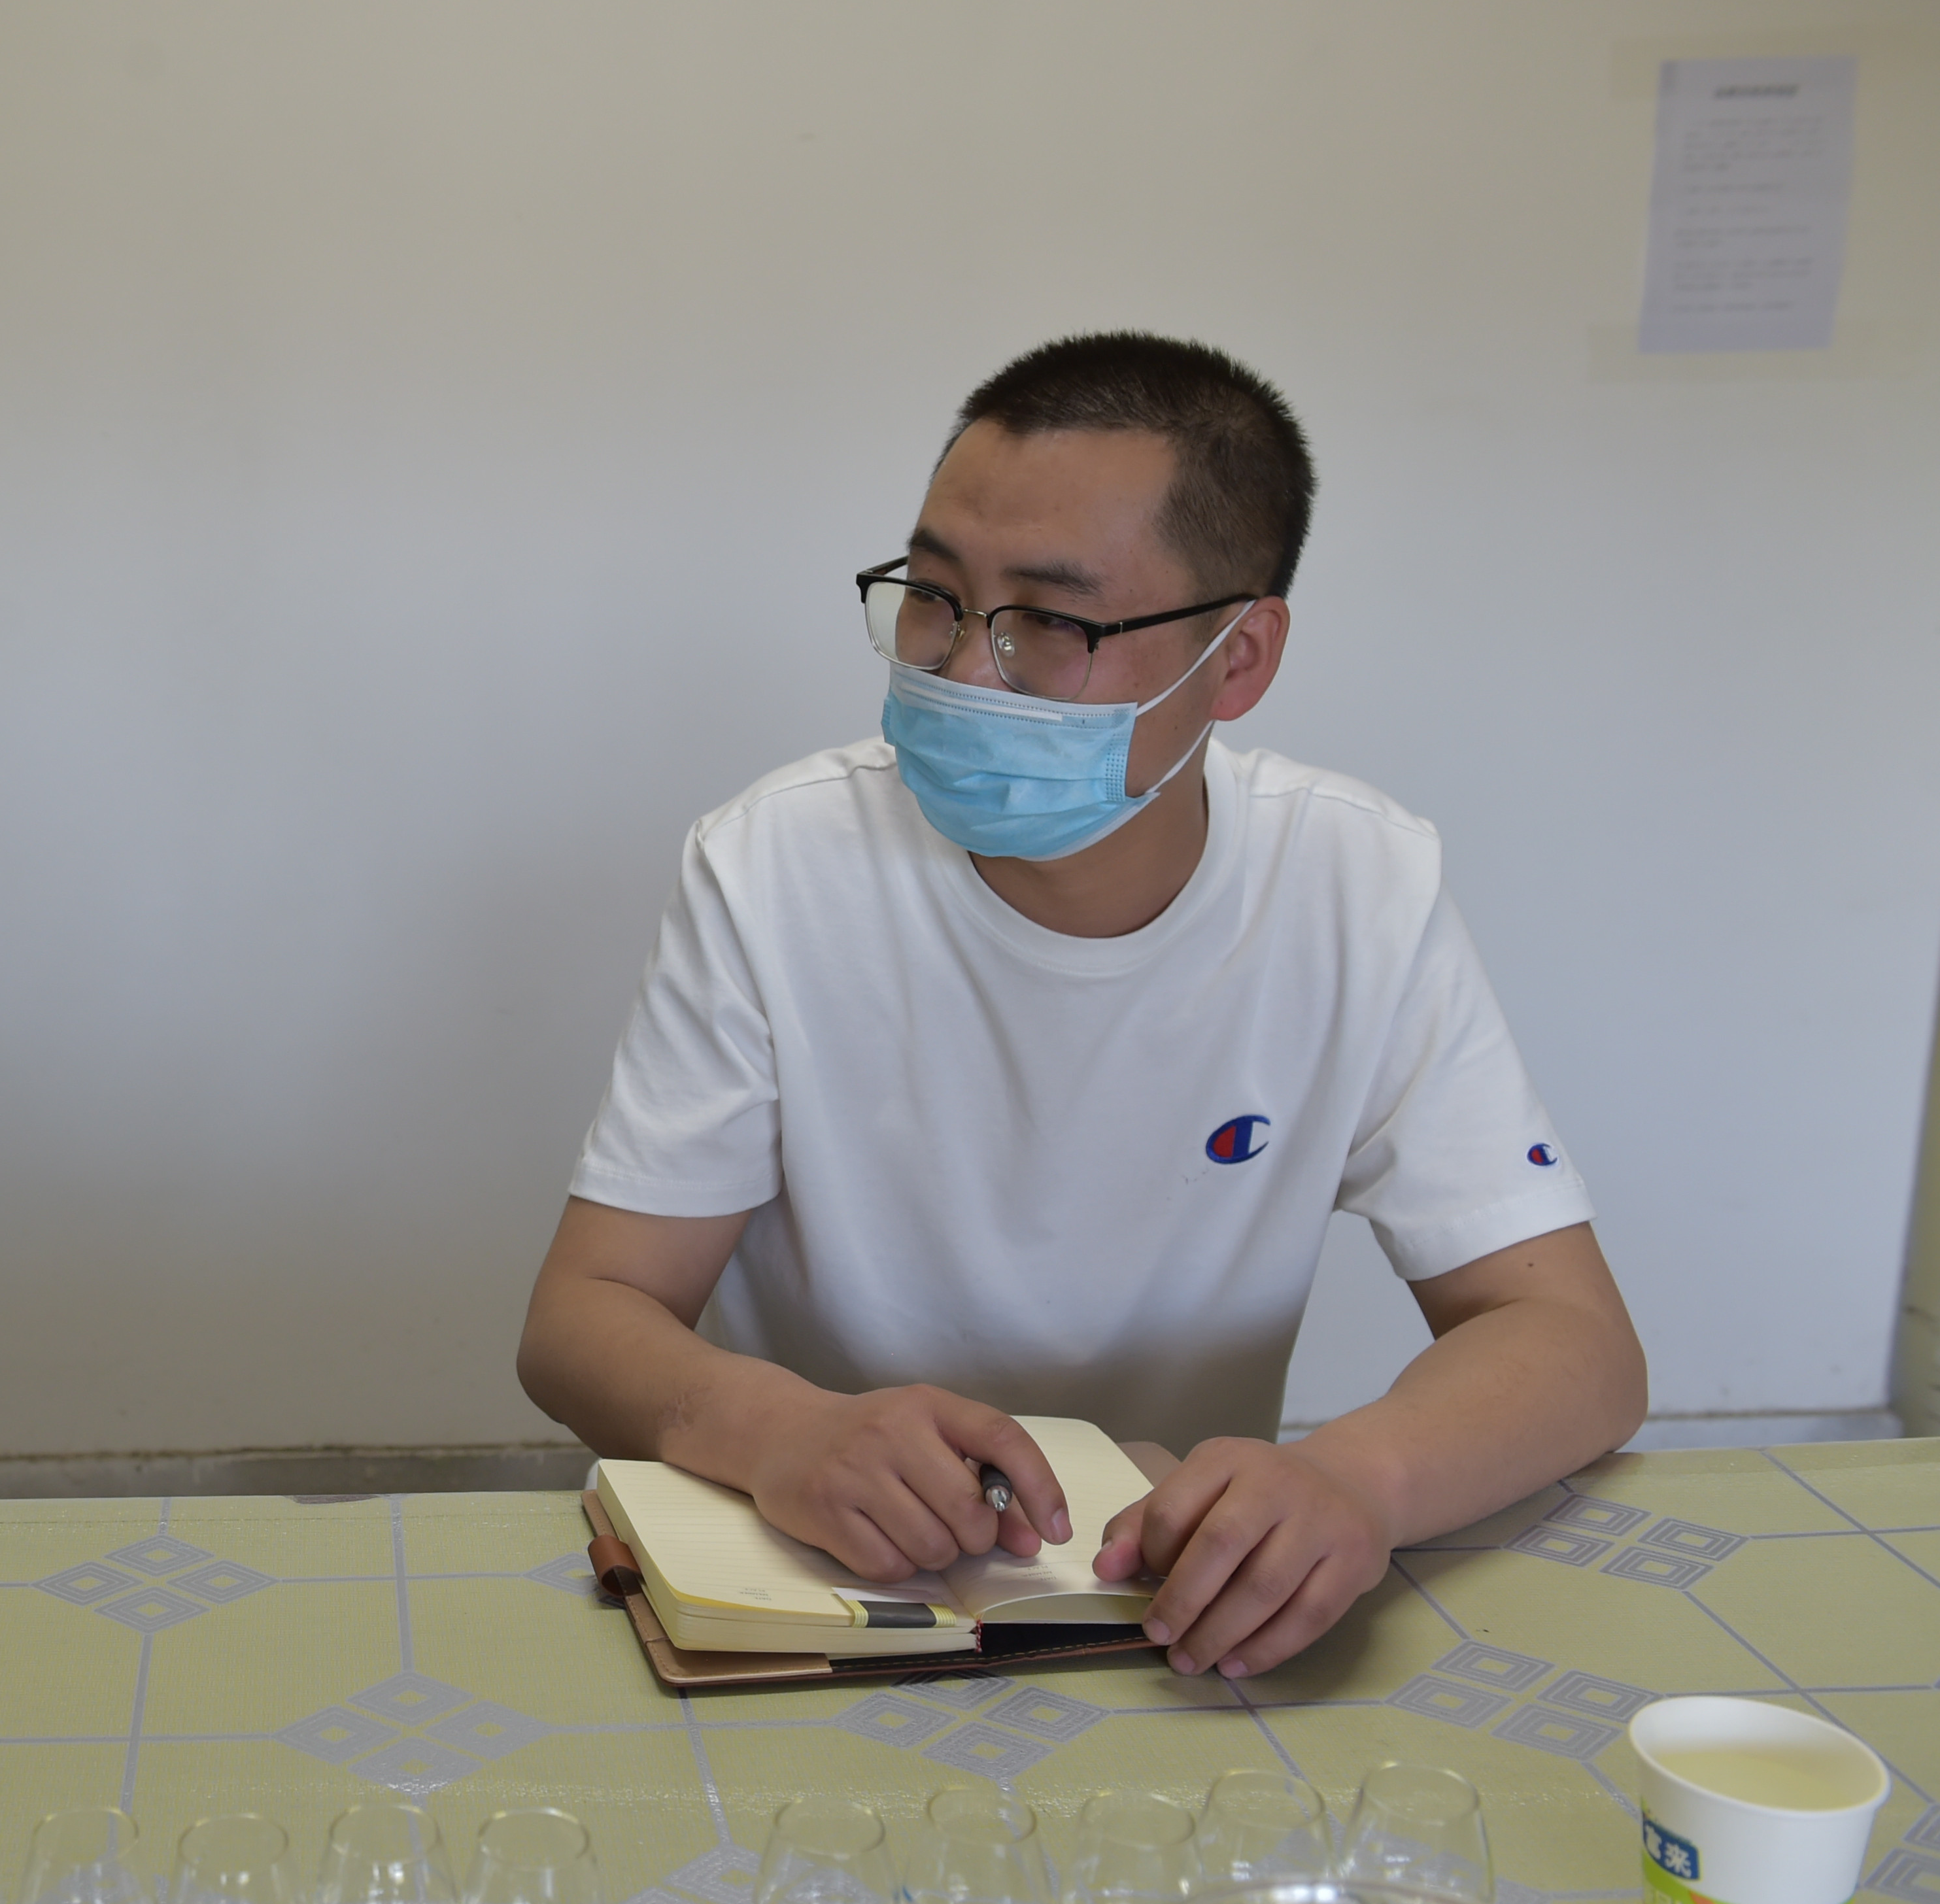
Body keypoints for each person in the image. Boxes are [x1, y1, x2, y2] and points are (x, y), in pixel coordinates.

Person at [518, 333, 1644, 1682]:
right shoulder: (775, 866)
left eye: (1050, 623)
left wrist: (1357, 1477)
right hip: (834, 1587)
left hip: (1178, 1610)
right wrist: (779, 1432)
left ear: (1238, 658)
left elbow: (1572, 1341)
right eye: (934, 597)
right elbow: (583, 1314)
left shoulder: (1354, 886)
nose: (960, 670)